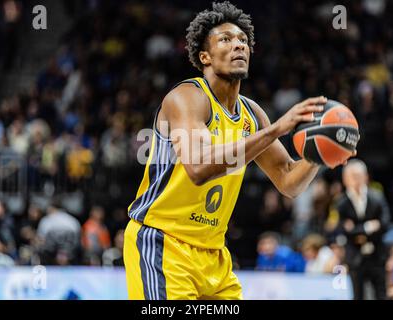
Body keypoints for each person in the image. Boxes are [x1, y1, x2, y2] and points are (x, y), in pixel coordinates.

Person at [123, 1, 355, 300]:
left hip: (214, 254)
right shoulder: (187, 97)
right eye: (226, 39)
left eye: (243, 41)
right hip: (163, 244)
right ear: (204, 56)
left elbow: (287, 181)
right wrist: (276, 129)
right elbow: (198, 168)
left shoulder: (252, 114)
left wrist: (317, 153)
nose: (238, 46)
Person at [336, 159, 390, 300]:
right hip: (355, 257)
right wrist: (368, 226)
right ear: (345, 179)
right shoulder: (341, 203)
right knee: (357, 295)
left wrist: (356, 229)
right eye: (353, 176)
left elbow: (384, 224)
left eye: (359, 175)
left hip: (377, 254)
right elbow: (344, 229)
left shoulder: (377, 197)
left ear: (366, 176)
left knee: (381, 293)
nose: (356, 180)